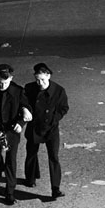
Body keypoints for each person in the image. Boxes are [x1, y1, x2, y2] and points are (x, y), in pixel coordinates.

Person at [0, 64, 31, 205]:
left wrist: (20, 124)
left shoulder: (18, 91)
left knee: (11, 160)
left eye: (5, 82)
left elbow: (27, 108)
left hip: (11, 130)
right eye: (0, 82)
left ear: (11, 78)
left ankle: (9, 192)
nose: (2, 85)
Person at [23, 63, 69, 199]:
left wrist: (54, 119)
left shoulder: (58, 90)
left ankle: (55, 188)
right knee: (31, 153)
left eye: (42, 79)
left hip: (51, 128)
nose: (40, 83)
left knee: (54, 157)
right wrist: (25, 110)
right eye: (37, 79)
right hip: (34, 126)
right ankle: (30, 178)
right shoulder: (30, 88)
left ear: (48, 76)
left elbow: (64, 108)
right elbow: (24, 101)